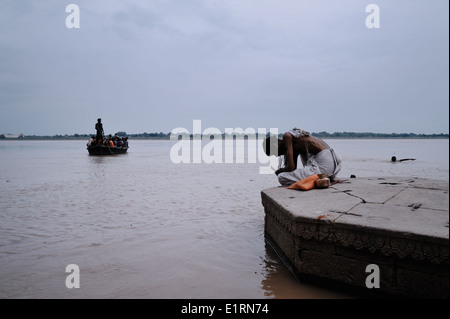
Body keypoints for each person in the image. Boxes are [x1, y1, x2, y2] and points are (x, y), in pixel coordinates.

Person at [264, 128, 342, 187]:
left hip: (324, 163)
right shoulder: (294, 142)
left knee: (281, 177)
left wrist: (279, 171)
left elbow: (290, 167)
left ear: (275, 144)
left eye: (274, 153)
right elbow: (293, 169)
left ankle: (319, 178)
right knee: (303, 157)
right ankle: (327, 177)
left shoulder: (287, 136)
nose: (277, 155)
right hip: (334, 162)